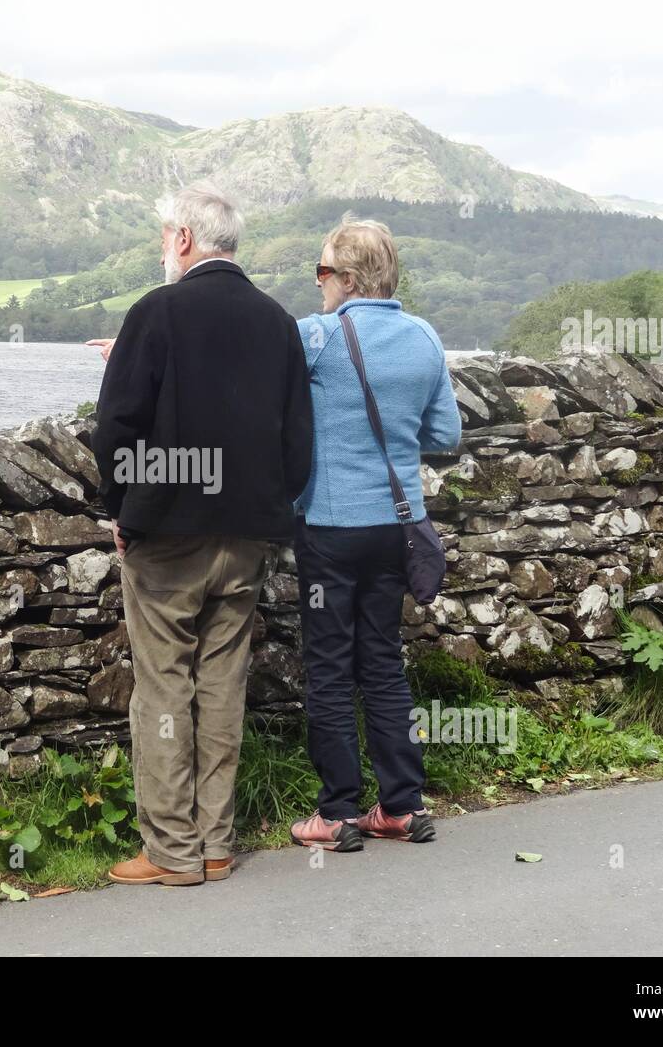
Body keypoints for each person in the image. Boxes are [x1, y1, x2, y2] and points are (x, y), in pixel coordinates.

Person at [93, 182, 312, 886]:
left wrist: (124, 513)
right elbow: (298, 443)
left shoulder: (156, 311)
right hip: (249, 534)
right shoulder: (279, 322)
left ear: (183, 239)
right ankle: (216, 843)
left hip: (169, 534)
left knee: (162, 687)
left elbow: (117, 428)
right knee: (223, 683)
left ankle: (171, 851)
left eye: (164, 235)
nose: (163, 246)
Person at [288, 217, 461, 852]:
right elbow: (445, 435)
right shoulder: (424, 336)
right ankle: (400, 807)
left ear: (350, 278)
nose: (318, 284)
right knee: (383, 662)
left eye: (323, 272)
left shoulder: (317, 336)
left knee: (330, 667)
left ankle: (336, 814)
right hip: (396, 525)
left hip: (329, 529)